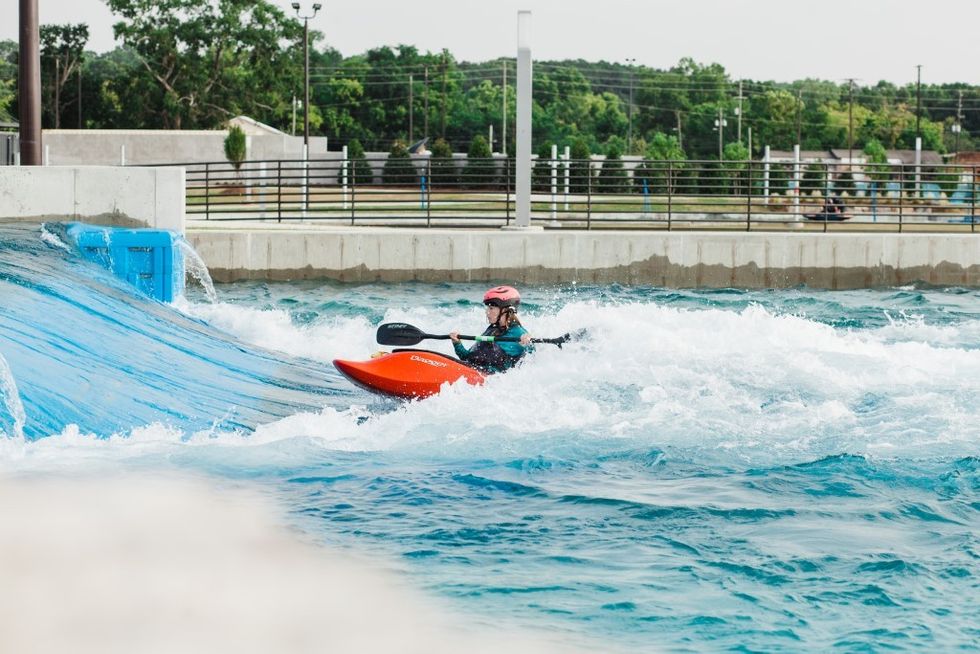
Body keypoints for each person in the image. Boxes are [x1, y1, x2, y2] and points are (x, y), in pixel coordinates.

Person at [450, 285, 533, 373]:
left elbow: (531, 361)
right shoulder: (491, 330)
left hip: (494, 380)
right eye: (487, 308)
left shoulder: (518, 333)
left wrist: (528, 345)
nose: (487, 312)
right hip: (474, 373)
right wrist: (457, 343)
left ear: (505, 310)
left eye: (491, 308)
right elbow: (467, 358)